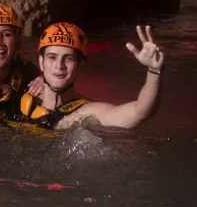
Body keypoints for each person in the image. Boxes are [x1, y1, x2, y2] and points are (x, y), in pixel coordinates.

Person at [14, 22, 164, 129]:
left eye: (69, 58)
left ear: (80, 65)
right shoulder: (21, 95)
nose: (59, 66)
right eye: (52, 57)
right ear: (41, 62)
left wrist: (153, 70)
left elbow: (141, 112)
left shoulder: (89, 113)